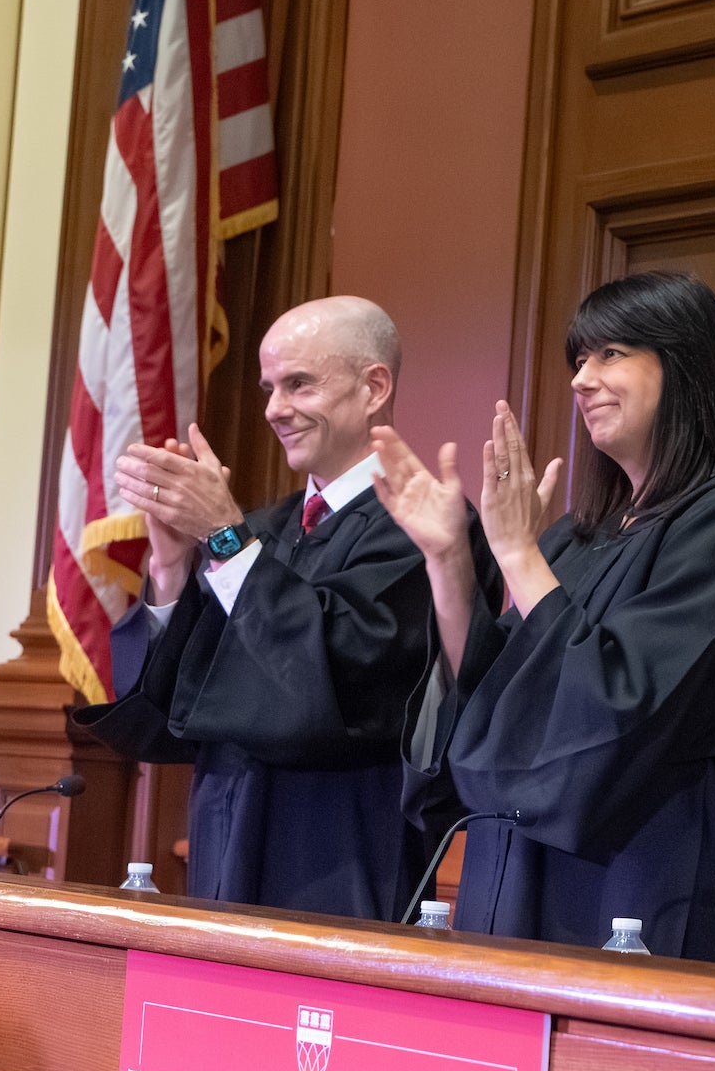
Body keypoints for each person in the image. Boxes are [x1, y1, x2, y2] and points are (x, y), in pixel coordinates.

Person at [372, 271, 715, 962]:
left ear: (684, 365)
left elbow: (619, 706)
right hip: (521, 877)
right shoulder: (578, 535)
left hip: (645, 888)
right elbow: (490, 693)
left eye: (610, 354)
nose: (581, 380)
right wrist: (449, 561)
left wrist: (517, 554)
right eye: (578, 360)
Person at [72, 297, 498, 921]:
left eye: (299, 384)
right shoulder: (263, 531)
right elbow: (167, 712)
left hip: (340, 853)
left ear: (373, 385)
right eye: (270, 387)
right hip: (225, 843)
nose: (274, 409)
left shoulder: (424, 526)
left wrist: (223, 539)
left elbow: (337, 678)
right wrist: (168, 566)